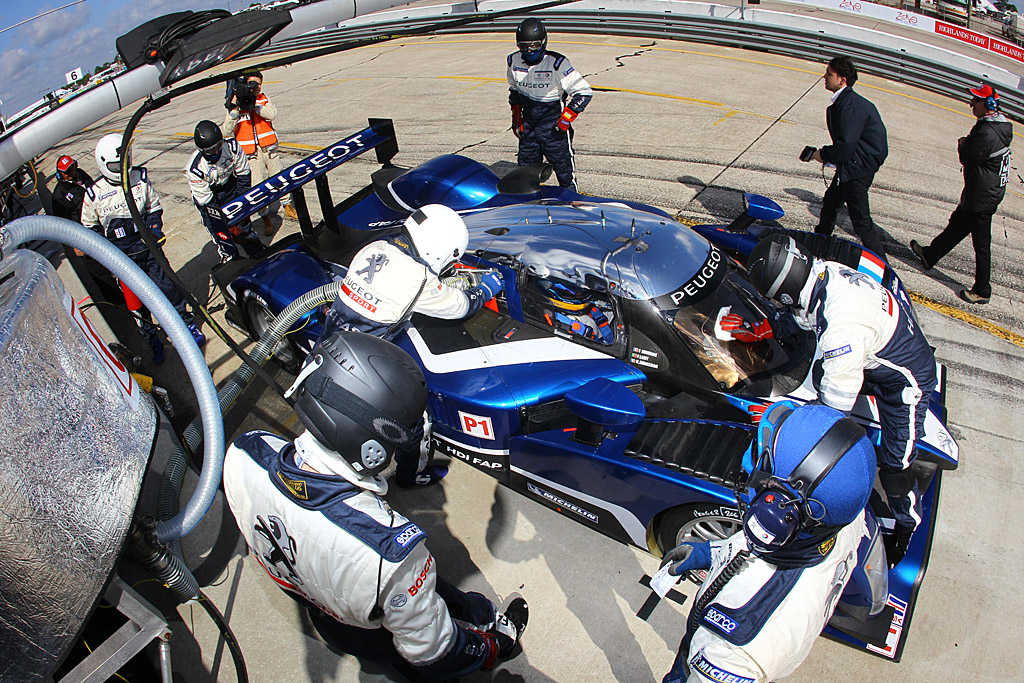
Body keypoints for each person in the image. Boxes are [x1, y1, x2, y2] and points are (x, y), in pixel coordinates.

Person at [222, 331, 528, 681]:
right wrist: (485, 650)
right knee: (422, 655)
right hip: (382, 614)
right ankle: (498, 639)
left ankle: (474, 611)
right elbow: (435, 650)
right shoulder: (390, 555)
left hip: (332, 617)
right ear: (372, 448)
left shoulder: (244, 452)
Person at [734, 233, 935, 566]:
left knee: (896, 467)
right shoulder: (825, 273)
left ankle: (906, 525)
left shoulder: (842, 328)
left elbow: (831, 419)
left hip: (904, 385)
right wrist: (762, 329)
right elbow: (803, 316)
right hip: (880, 348)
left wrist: (782, 421)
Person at [661, 402, 876, 683]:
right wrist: (712, 553)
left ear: (778, 513)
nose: (749, 464)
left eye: (763, 460)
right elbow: (763, 550)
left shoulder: (734, 655)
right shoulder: (836, 518)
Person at [322, 203, 505, 486]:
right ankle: (411, 475)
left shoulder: (375, 247)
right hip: (363, 365)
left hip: (330, 347)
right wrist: (488, 286)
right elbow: (461, 306)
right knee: (416, 418)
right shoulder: (417, 277)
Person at [81, 133, 206, 348]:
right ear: (103, 164)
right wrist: (106, 253)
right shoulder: (94, 194)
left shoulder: (140, 178)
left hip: (149, 250)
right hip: (123, 261)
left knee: (168, 288)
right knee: (137, 304)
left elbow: (153, 206)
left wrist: (155, 229)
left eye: (124, 162)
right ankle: (152, 339)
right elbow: (89, 228)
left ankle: (187, 325)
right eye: (115, 164)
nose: (122, 168)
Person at [910, 84, 1012, 305]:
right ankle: (930, 255)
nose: (971, 104)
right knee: (956, 226)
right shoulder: (998, 125)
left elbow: (967, 156)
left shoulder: (987, 132)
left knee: (981, 245)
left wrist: (962, 144)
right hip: (982, 192)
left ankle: (983, 290)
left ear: (988, 104)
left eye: (975, 101)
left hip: (982, 198)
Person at [805, 56, 889, 261]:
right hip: (853, 165)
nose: (824, 77)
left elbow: (845, 147)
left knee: (861, 222)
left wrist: (821, 154)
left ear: (842, 79)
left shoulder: (849, 105)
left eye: (829, 74)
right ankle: (820, 242)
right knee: (831, 203)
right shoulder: (848, 101)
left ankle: (884, 266)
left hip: (857, 169)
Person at [507, 17, 593, 190]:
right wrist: (516, 118)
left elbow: (584, 92)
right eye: (523, 46)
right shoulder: (513, 61)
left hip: (554, 130)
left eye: (534, 46)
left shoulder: (557, 63)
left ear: (544, 43)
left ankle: (571, 210)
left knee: (565, 177)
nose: (529, 50)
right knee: (525, 177)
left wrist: (564, 120)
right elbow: (514, 92)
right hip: (529, 129)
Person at [222, 70, 297, 237]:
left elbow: (272, 114)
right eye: (252, 84)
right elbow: (226, 131)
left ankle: (287, 206)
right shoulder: (236, 104)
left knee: (281, 179)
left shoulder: (262, 99)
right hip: (252, 156)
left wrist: (255, 106)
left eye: (258, 84)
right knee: (258, 188)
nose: (256, 87)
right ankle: (265, 218)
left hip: (269, 150)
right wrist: (236, 109)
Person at [185, 120, 265, 261]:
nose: (216, 152)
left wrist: (243, 209)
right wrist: (230, 227)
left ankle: (258, 256)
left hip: (231, 187)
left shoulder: (232, 147)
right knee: (222, 235)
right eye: (210, 151)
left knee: (245, 227)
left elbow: (244, 176)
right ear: (201, 150)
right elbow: (209, 207)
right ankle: (232, 260)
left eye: (218, 146)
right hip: (209, 198)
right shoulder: (195, 169)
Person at [51, 155, 94, 223]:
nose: (71, 172)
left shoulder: (81, 173)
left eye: (72, 168)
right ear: (60, 174)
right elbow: (62, 221)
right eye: (66, 172)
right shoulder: (59, 194)